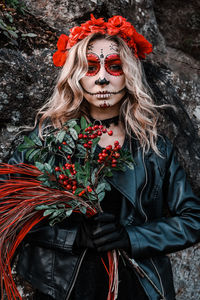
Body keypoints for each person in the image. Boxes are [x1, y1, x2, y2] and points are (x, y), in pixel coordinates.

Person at [2, 15, 200, 300]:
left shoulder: (154, 147)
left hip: (137, 285)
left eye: (115, 66)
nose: (103, 78)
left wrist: (132, 237)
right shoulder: (46, 140)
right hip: (62, 287)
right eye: (91, 67)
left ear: (129, 73)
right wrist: (72, 236)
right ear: (76, 75)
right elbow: (8, 207)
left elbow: (192, 220)